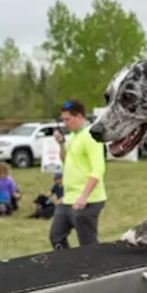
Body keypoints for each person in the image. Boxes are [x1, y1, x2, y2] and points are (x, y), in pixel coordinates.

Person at [50, 99, 107, 249]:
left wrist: (83, 197)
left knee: (87, 244)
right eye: (62, 120)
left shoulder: (91, 136)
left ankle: (94, 269)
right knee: (56, 236)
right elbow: (65, 160)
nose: (64, 123)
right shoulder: (74, 136)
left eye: (67, 119)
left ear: (79, 117)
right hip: (68, 199)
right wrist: (61, 143)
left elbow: (98, 169)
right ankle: (67, 265)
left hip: (88, 200)